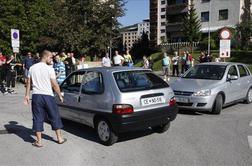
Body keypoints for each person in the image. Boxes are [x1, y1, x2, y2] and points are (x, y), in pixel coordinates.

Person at [24, 50, 66, 147]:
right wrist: (59, 95)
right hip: (48, 96)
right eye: (51, 57)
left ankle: (39, 142)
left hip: (36, 96)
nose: (52, 59)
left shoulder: (32, 68)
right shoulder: (49, 69)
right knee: (54, 115)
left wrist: (27, 95)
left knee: (37, 118)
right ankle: (59, 138)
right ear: (45, 57)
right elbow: (55, 85)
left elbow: (28, 83)